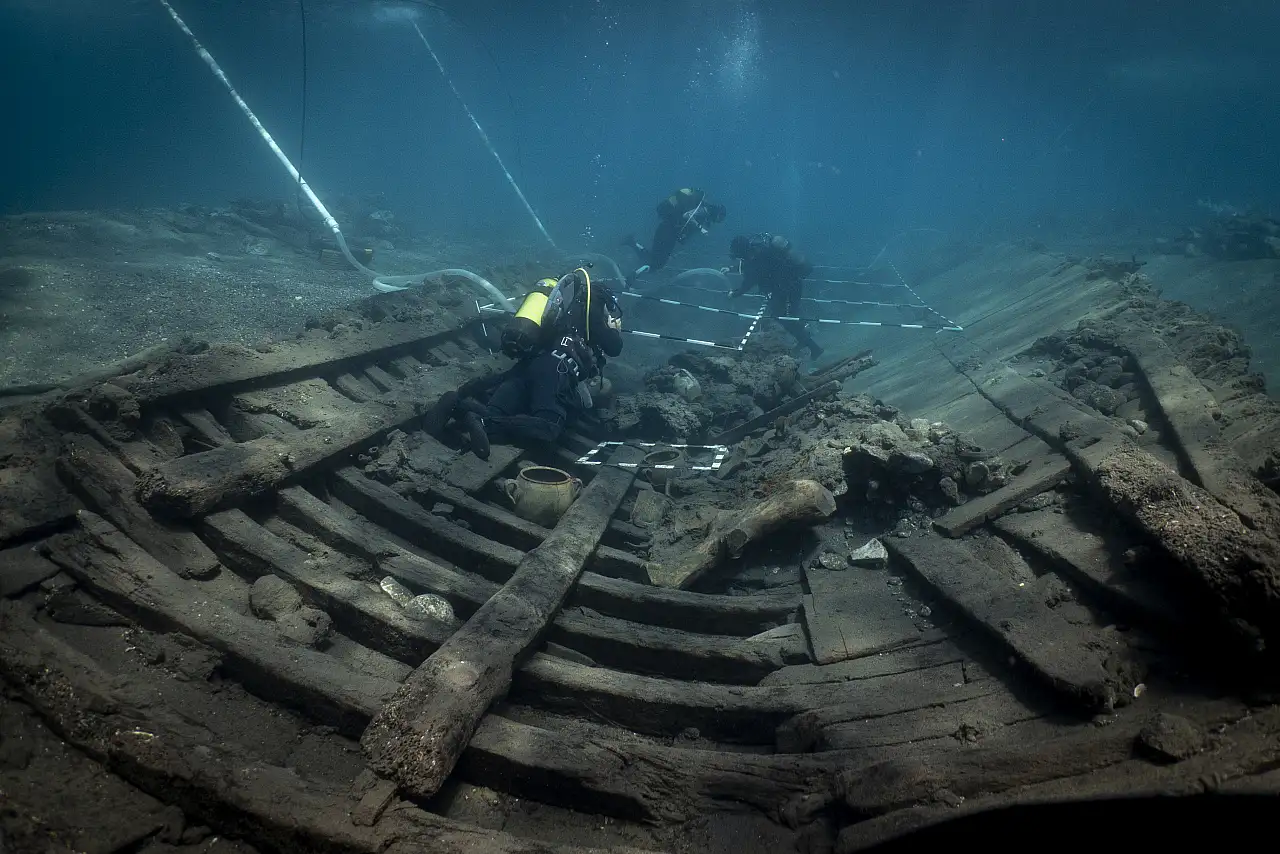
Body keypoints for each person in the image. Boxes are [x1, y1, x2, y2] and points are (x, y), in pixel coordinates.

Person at [428, 269, 625, 459]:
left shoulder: (563, 300)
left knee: (498, 417)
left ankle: (458, 405)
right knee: (549, 428)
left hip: (528, 365)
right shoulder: (594, 303)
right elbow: (614, 347)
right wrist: (614, 328)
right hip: (556, 370)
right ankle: (482, 422)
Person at [728, 233, 824, 360]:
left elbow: (748, 283)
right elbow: (750, 267)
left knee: (785, 318)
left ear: (742, 252)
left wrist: (734, 294)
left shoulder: (755, 260)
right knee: (788, 316)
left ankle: (813, 346)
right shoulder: (759, 249)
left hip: (787, 289)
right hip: (791, 285)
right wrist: (731, 268)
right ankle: (806, 338)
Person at [622, 188, 727, 281]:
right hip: (668, 232)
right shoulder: (705, 210)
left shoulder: (704, 214)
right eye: (719, 219)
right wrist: (701, 229)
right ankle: (637, 272)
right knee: (657, 263)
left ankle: (632, 242)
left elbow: (685, 226)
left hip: (666, 230)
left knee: (655, 258)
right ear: (717, 213)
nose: (718, 221)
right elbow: (687, 215)